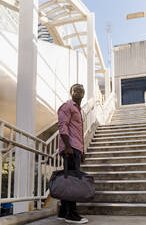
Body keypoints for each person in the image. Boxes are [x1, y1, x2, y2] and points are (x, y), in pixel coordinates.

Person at [57, 83, 88, 224]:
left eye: (81, 89)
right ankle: (72, 214)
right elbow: (62, 126)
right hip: (69, 148)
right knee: (73, 181)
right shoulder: (67, 106)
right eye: (75, 89)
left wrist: (81, 151)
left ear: (84, 93)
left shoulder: (78, 110)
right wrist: (68, 147)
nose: (79, 91)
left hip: (75, 148)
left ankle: (63, 211)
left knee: (69, 180)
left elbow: (78, 132)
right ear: (71, 92)